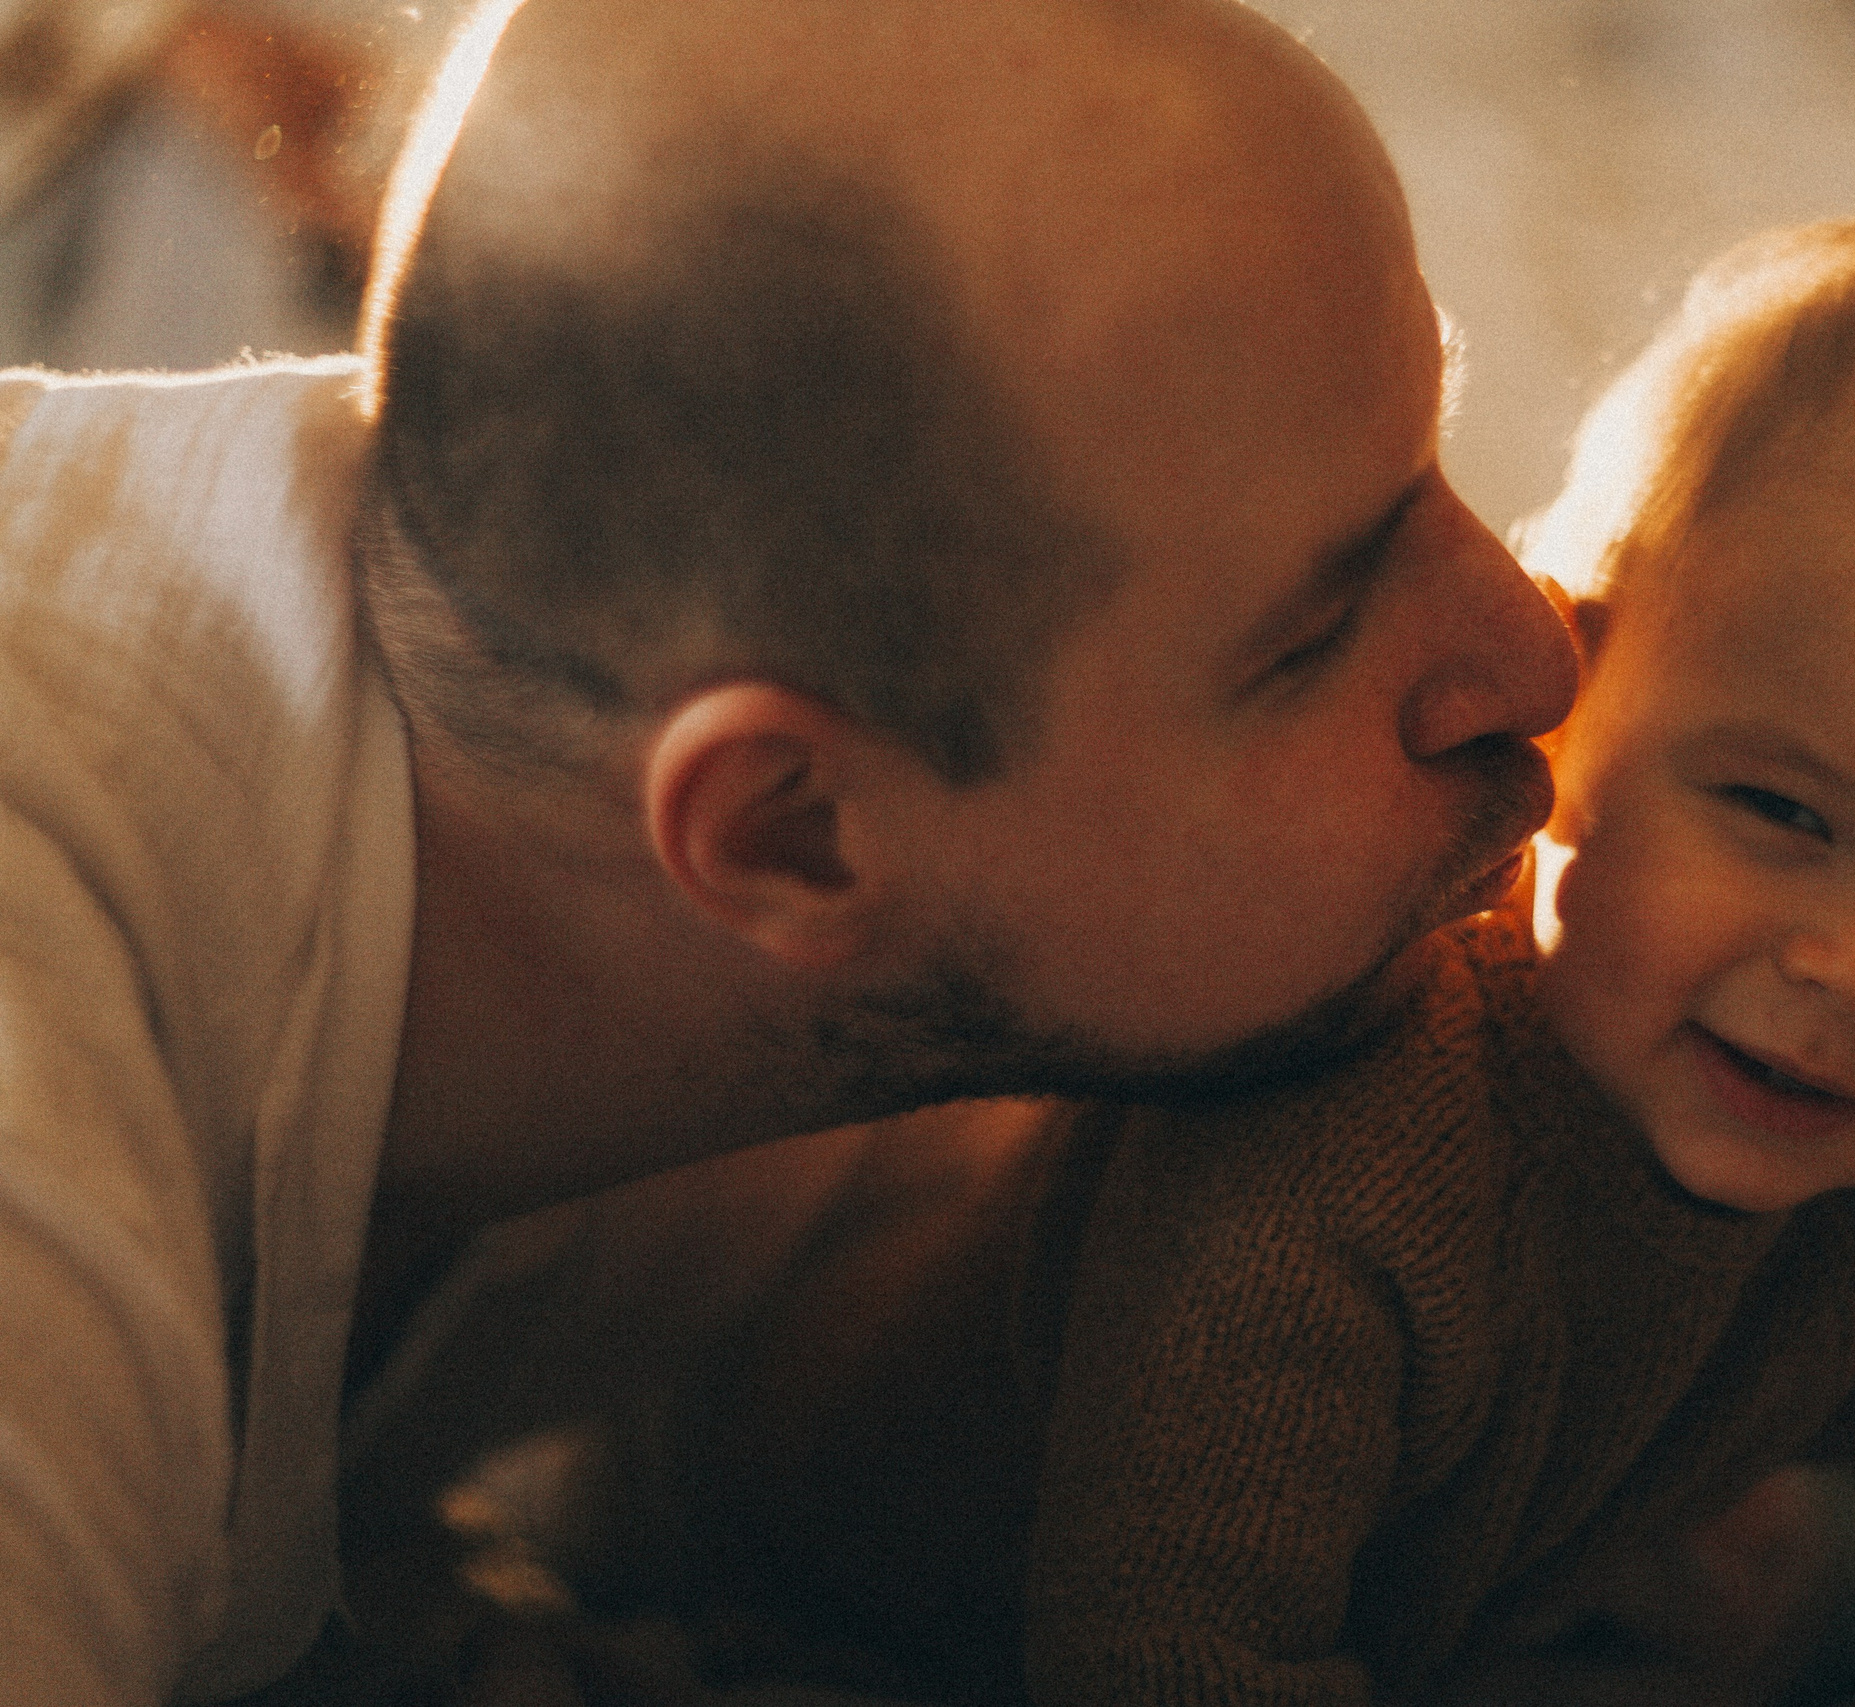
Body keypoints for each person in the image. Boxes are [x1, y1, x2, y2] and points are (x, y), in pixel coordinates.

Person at [0, 0, 1579, 1696]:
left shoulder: (626, 891)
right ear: (792, 836)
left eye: (1432, 454)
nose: (1538, 649)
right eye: (1318, 630)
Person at [692, 213, 1855, 1705]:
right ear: (1561, 709)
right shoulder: (1346, 1160)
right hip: (820, 1560)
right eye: (1784, 813)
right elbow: (1173, 1651)